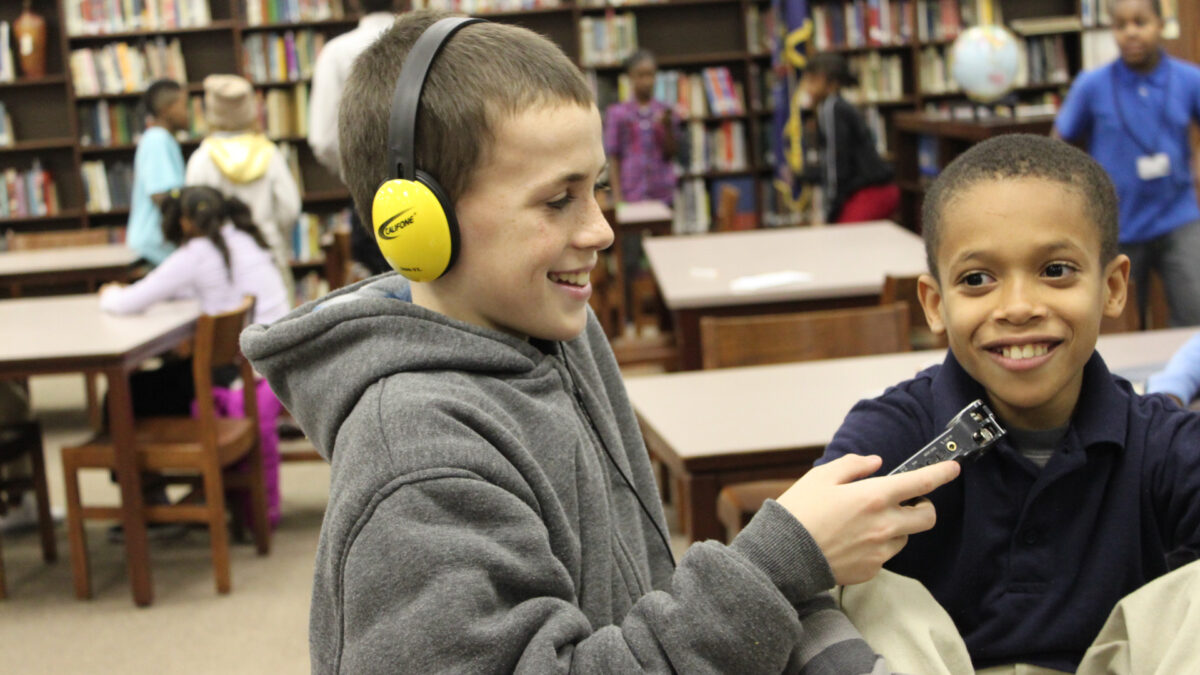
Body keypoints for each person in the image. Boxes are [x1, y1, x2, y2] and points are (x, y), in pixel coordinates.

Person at [241, 10, 962, 672]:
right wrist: (774, 566)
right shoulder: (414, 458)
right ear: (415, 223)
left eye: (598, 189)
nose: (600, 230)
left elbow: (628, 600)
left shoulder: (557, 330)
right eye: (559, 199)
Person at [817, 133, 1200, 673]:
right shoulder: (895, 431)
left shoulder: (1161, 443)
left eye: (1056, 271)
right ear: (935, 303)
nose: (1018, 307)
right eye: (977, 280)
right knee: (851, 587)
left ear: (1112, 287)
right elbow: (795, 566)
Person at [101, 185, 289, 529]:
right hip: (267, 366)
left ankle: (148, 501)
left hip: (234, 375)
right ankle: (182, 493)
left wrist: (109, 292)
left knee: (123, 394)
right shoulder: (244, 240)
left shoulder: (197, 254)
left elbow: (127, 303)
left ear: (186, 222)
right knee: (166, 375)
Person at [1054, 0, 1200, 327]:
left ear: (1161, 25)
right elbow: (1059, 142)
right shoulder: (1091, 85)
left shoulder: (1190, 79)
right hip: (1119, 225)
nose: (1131, 32)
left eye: (1140, 22)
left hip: (1180, 219)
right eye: (1120, 25)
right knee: (1121, 321)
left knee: (1195, 313)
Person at [186, 74, 302, 301]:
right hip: (268, 252)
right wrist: (275, 234)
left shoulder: (202, 159)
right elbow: (290, 208)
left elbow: (193, 215)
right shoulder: (270, 154)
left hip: (220, 261)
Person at [308, 0, 396, 275]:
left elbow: (323, 140)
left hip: (371, 194)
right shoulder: (428, 39)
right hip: (440, 187)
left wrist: (356, 172)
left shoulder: (336, 52)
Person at [800, 53, 898, 224]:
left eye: (812, 80)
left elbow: (835, 162)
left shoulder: (830, 108)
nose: (807, 87)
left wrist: (832, 208)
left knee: (843, 242)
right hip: (874, 191)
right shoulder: (836, 106)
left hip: (869, 193)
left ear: (831, 83)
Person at [603, 49, 682, 206]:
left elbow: (672, 153)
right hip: (631, 193)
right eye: (641, 75)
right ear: (630, 77)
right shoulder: (617, 113)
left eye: (651, 75)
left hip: (662, 193)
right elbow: (613, 157)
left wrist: (666, 127)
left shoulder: (665, 111)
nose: (647, 81)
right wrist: (617, 196)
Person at [127, 79, 188, 265]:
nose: (188, 113)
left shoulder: (163, 140)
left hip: (159, 247)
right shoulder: (157, 140)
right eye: (184, 106)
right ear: (166, 109)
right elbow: (162, 196)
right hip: (154, 248)